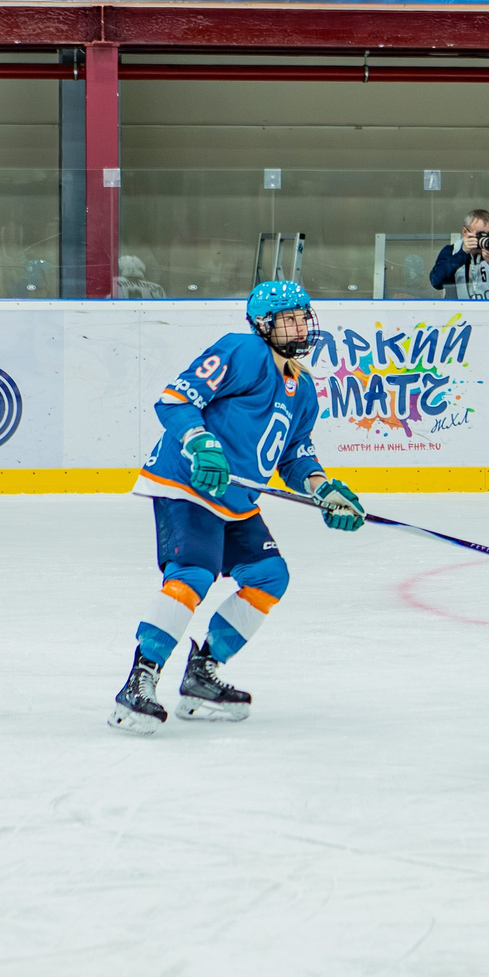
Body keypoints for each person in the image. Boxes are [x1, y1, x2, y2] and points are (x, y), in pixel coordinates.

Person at [110, 279, 367, 734]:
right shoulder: (242, 352)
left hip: (236, 498)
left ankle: (201, 672)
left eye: (303, 316)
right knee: (192, 573)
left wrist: (322, 489)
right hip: (187, 482)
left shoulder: (304, 388)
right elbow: (176, 399)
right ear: (263, 326)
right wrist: (200, 442)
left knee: (270, 576)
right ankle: (140, 679)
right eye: (288, 318)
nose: (300, 326)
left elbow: (294, 454)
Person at [431, 210, 489, 299]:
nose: (485, 238)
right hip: (459, 311)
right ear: (465, 232)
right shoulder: (451, 252)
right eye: (480, 234)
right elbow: (436, 282)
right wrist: (462, 254)